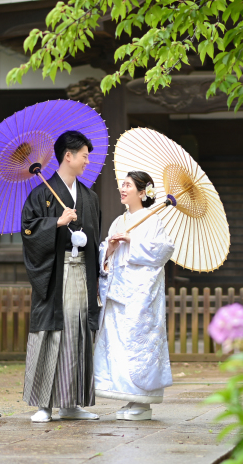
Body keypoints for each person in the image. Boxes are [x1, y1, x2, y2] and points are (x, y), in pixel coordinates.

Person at [20, 130, 102, 423]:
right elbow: (28, 231)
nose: (87, 161)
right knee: (53, 332)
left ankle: (71, 403)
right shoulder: (41, 194)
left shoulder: (90, 198)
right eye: (84, 155)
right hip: (56, 274)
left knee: (79, 331)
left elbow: (95, 239)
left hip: (82, 272)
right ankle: (44, 404)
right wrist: (56, 221)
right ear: (68, 155)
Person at [94, 171, 175, 421]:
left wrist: (132, 239)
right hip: (118, 292)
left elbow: (163, 251)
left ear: (143, 192)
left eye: (128, 185)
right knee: (118, 346)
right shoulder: (119, 220)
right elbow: (105, 254)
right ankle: (130, 398)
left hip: (140, 295)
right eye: (122, 185)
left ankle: (143, 402)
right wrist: (109, 248)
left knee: (138, 345)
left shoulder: (152, 220)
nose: (122, 189)